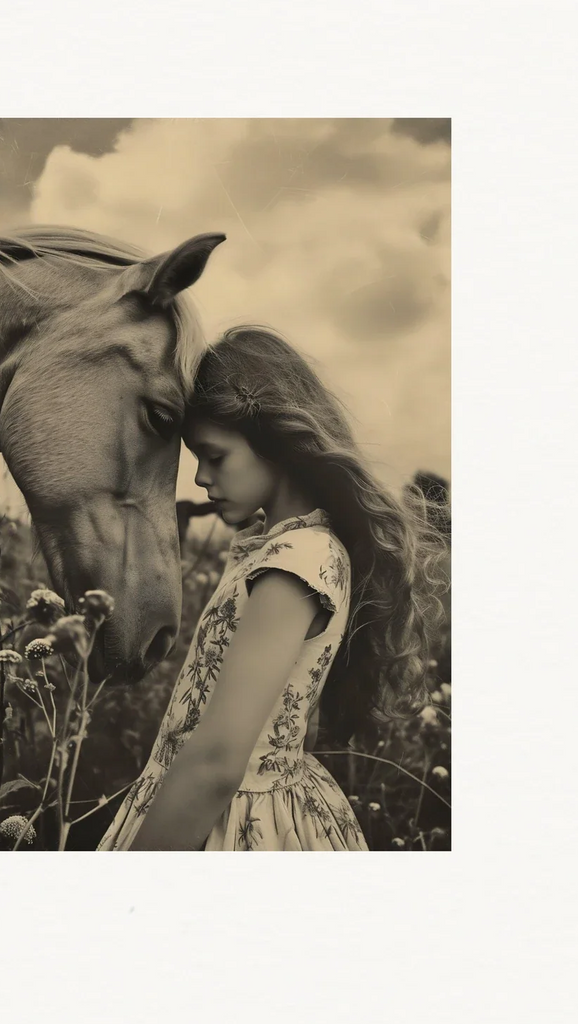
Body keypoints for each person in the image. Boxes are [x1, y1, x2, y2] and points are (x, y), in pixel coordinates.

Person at [97, 325, 450, 851]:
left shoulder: (298, 559)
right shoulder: (287, 550)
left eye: (215, 456)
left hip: (232, 820)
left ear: (277, 444)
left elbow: (217, 763)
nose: (199, 479)